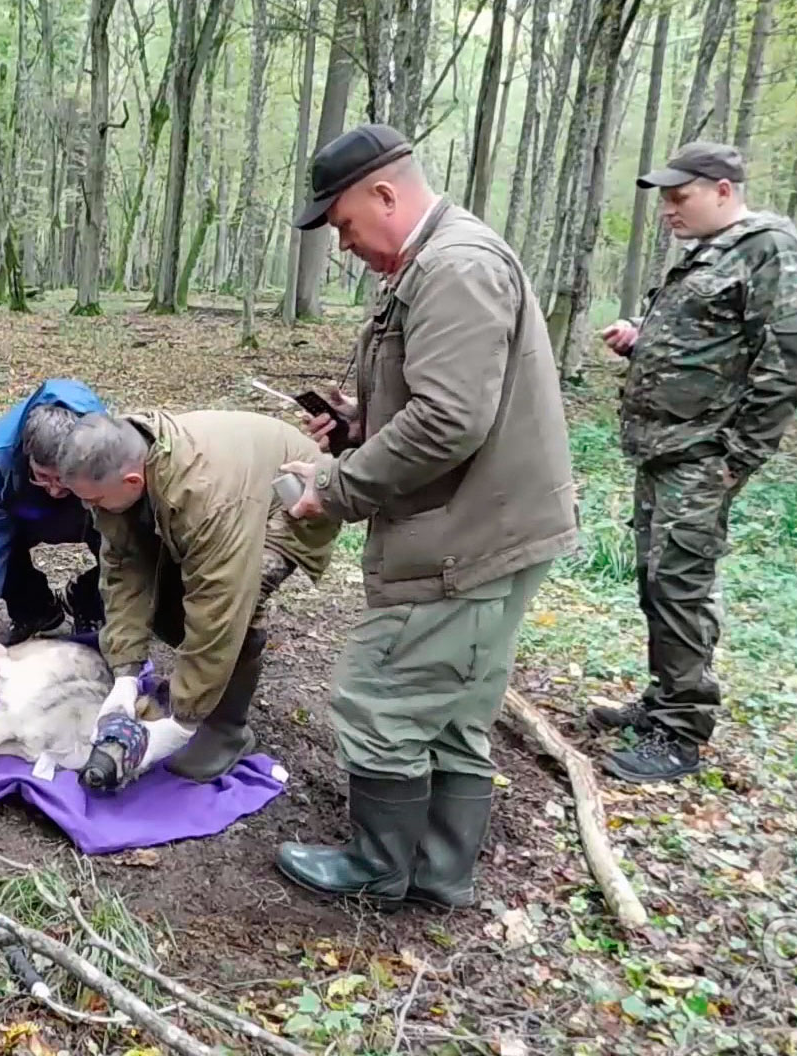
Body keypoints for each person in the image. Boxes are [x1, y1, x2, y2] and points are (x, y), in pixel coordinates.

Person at [272, 123, 577, 907]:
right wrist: (359, 420)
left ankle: (380, 869)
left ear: (385, 193)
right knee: (453, 708)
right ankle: (439, 875)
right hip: (488, 522)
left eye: (343, 224)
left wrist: (336, 487)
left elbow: (449, 422)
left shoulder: (456, 269)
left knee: (379, 694)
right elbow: (443, 400)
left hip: (463, 536)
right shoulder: (437, 264)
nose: (342, 244)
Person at [591, 142, 797, 784]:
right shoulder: (710, 254)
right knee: (658, 582)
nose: (667, 209)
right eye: (664, 198)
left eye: (678, 196)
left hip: (702, 456)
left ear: (722, 189)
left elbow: (783, 366)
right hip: (665, 450)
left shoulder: (770, 250)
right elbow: (710, 346)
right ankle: (665, 700)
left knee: (680, 587)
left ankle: (681, 731)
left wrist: (736, 458)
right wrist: (642, 341)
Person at [52, 409, 342, 783]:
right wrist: (125, 673)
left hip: (294, 495)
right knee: (169, 609)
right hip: (231, 489)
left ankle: (226, 731)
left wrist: (181, 724)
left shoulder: (206, 498)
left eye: (95, 500)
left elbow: (219, 605)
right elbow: (124, 570)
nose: (89, 508)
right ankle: (204, 693)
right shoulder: (119, 465)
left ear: (132, 480)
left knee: (239, 604)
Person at [0, 380, 108, 692]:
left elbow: (129, 545)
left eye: (62, 479)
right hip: (27, 510)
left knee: (113, 539)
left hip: (88, 508)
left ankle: (90, 605)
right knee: (3, 545)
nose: (54, 490)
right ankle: (36, 611)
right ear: (27, 452)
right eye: (43, 476)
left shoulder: (107, 450)